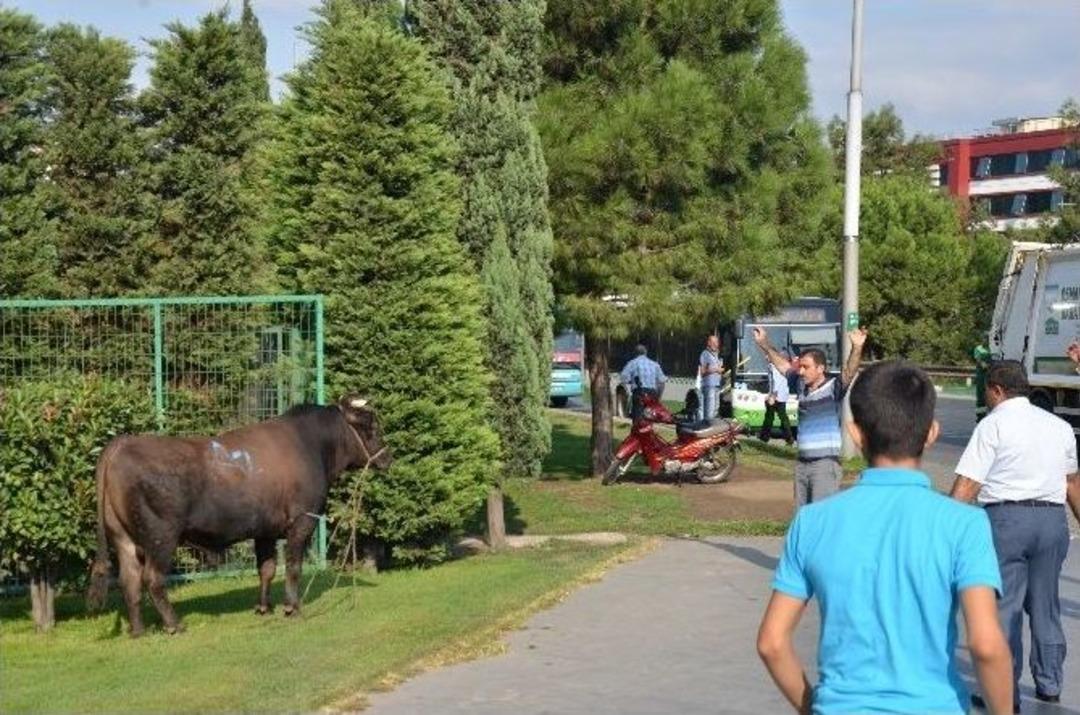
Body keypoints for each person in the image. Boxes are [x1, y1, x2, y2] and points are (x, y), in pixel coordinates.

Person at [758, 361, 1013, 715]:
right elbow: (985, 646)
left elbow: (772, 642)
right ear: (932, 433)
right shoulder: (965, 524)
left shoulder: (812, 521)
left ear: (856, 433)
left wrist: (813, 706)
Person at [949, 360, 1080, 712]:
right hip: (1053, 523)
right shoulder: (1059, 426)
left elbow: (969, 483)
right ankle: (1050, 685)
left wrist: (943, 526)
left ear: (996, 390)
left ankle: (1004, 693)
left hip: (1006, 521)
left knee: (1004, 609)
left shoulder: (993, 425)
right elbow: (1071, 482)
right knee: (1046, 606)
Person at [753, 326, 867, 506]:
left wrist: (857, 347)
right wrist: (764, 344)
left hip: (824, 466)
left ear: (821, 368)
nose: (801, 371)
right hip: (802, 465)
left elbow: (849, 372)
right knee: (803, 517)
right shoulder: (800, 385)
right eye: (801, 367)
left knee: (821, 519)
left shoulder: (833, 388)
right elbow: (783, 365)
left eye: (806, 367)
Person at [619, 344, 665, 419]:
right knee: (649, 417)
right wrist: (658, 397)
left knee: (638, 417)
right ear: (646, 353)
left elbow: (623, 378)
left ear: (635, 353)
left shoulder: (632, 363)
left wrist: (631, 381)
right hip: (652, 393)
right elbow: (662, 382)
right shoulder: (655, 364)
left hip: (639, 392)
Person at [760, 350, 794, 446]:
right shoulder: (777, 366)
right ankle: (789, 438)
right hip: (781, 395)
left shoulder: (773, 367)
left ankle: (765, 437)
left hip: (777, 396)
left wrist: (772, 396)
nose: (765, 357)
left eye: (767, 355)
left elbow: (776, 381)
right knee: (780, 417)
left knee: (771, 417)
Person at [698, 335, 724, 421]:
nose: (716, 344)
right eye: (713, 342)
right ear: (708, 343)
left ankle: (711, 429)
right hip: (709, 386)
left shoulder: (716, 355)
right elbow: (702, 372)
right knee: (710, 411)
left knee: (715, 410)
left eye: (717, 342)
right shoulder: (705, 354)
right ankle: (706, 428)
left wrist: (719, 369)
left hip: (717, 386)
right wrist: (716, 369)